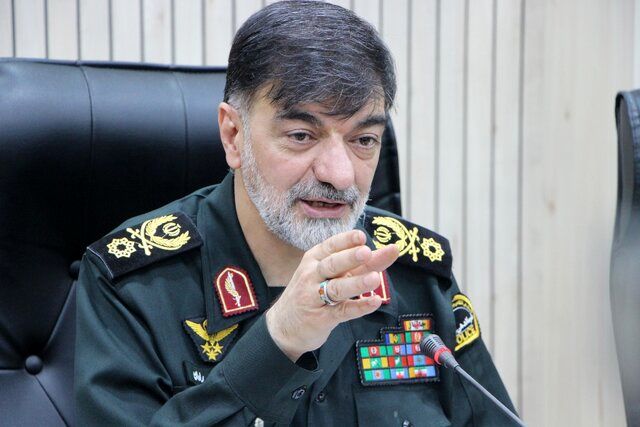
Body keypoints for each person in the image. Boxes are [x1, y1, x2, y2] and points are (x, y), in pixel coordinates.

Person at [75, 1, 515, 425]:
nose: (339, 175)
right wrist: (278, 342)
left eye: (363, 140)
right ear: (233, 135)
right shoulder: (135, 287)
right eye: (302, 135)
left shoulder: (414, 274)